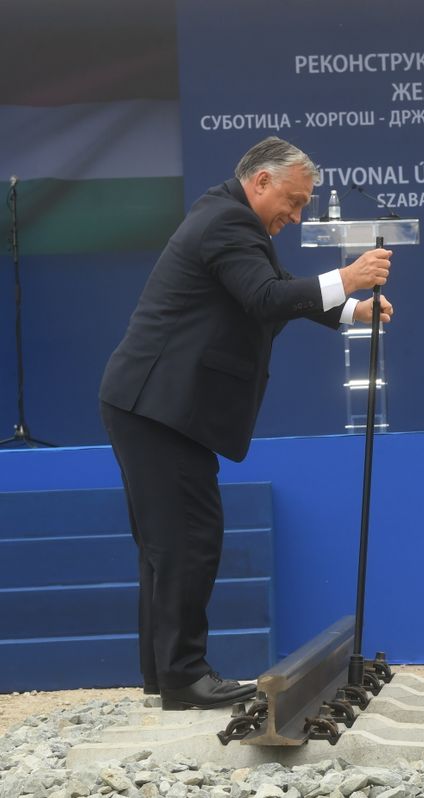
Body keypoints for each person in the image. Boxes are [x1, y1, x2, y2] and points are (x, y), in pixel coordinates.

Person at [99, 137, 393, 710]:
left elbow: (277, 295)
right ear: (261, 181)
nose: (298, 213)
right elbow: (264, 298)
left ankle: (168, 677)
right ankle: (183, 675)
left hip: (154, 405)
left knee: (168, 545)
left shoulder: (233, 219)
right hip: (158, 407)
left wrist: (349, 310)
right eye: (294, 200)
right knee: (188, 540)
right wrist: (350, 278)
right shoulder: (227, 222)